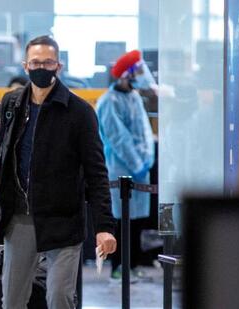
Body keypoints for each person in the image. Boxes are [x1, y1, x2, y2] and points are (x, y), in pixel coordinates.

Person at [0, 35, 117, 309]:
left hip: (63, 219)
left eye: (47, 62)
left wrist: (103, 227)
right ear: (25, 65)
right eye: (35, 62)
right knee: (12, 299)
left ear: (59, 66)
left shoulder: (78, 112)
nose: (41, 67)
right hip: (19, 216)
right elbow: (2, 159)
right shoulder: (11, 104)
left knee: (59, 297)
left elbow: (96, 173)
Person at [95, 50, 155, 282]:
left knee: (137, 219)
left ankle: (132, 264)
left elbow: (144, 132)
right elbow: (118, 138)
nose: (140, 75)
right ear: (124, 75)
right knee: (120, 222)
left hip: (140, 167)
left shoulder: (134, 96)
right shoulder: (108, 101)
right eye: (137, 71)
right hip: (120, 168)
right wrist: (136, 162)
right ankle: (118, 267)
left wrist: (145, 159)